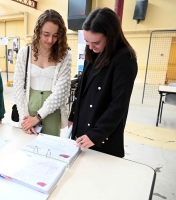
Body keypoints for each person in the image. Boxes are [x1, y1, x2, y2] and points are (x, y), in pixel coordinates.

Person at [68, 7, 138, 158]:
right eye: (87, 41)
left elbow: (118, 104)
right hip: (82, 129)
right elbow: (82, 88)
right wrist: (73, 116)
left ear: (111, 36)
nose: (91, 47)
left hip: (102, 137)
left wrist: (96, 134)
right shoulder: (92, 53)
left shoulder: (124, 59)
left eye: (96, 42)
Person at [13, 9, 72, 136]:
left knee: (51, 148)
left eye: (56, 35)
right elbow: (18, 87)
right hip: (29, 106)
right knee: (28, 146)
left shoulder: (65, 55)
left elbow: (61, 92)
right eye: (46, 34)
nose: (50, 40)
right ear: (38, 31)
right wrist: (25, 119)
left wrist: (38, 117)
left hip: (52, 109)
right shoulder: (25, 53)